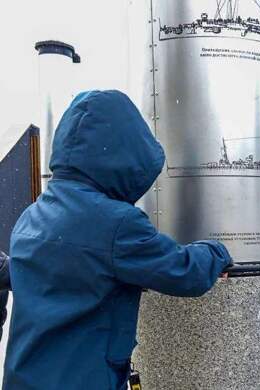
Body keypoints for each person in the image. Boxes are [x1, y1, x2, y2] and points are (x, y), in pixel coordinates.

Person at [3, 90, 232, 390]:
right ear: (121, 155)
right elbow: (184, 271)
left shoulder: (31, 216)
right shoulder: (116, 223)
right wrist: (217, 251)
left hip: (24, 377)